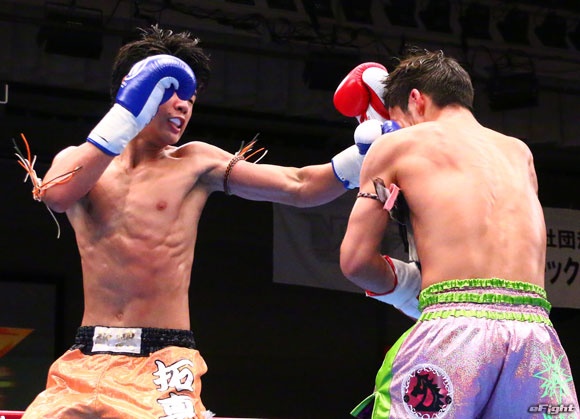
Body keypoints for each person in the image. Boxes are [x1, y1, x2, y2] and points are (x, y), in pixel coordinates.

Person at [17, 26, 416, 418]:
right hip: (85, 357)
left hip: (162, 359)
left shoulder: (194, 162)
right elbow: (55, 194)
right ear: (134, 86)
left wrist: (364, 155)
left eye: (191, 99)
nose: (184, 107)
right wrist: (123, 117)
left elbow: (299, 185)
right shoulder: (81, 163)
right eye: (174, 92)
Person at [340, 48, 579, 418]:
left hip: (454, 331)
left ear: (416, 99)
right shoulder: (520, 153)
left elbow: (355, 261)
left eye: (401, 120)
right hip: (536, 339)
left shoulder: (395, 144)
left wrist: (406, 288)